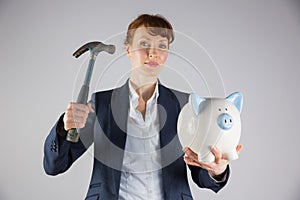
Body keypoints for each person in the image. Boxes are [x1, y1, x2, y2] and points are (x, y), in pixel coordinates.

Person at [43, 14, 242, 200]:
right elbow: (55, 165)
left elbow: (202, 174)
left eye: (161, 46)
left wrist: (217, 171)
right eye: (144, 43)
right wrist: (64, 126)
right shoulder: (100, 104)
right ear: (128, 49)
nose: (153, 53)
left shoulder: (185, 106)